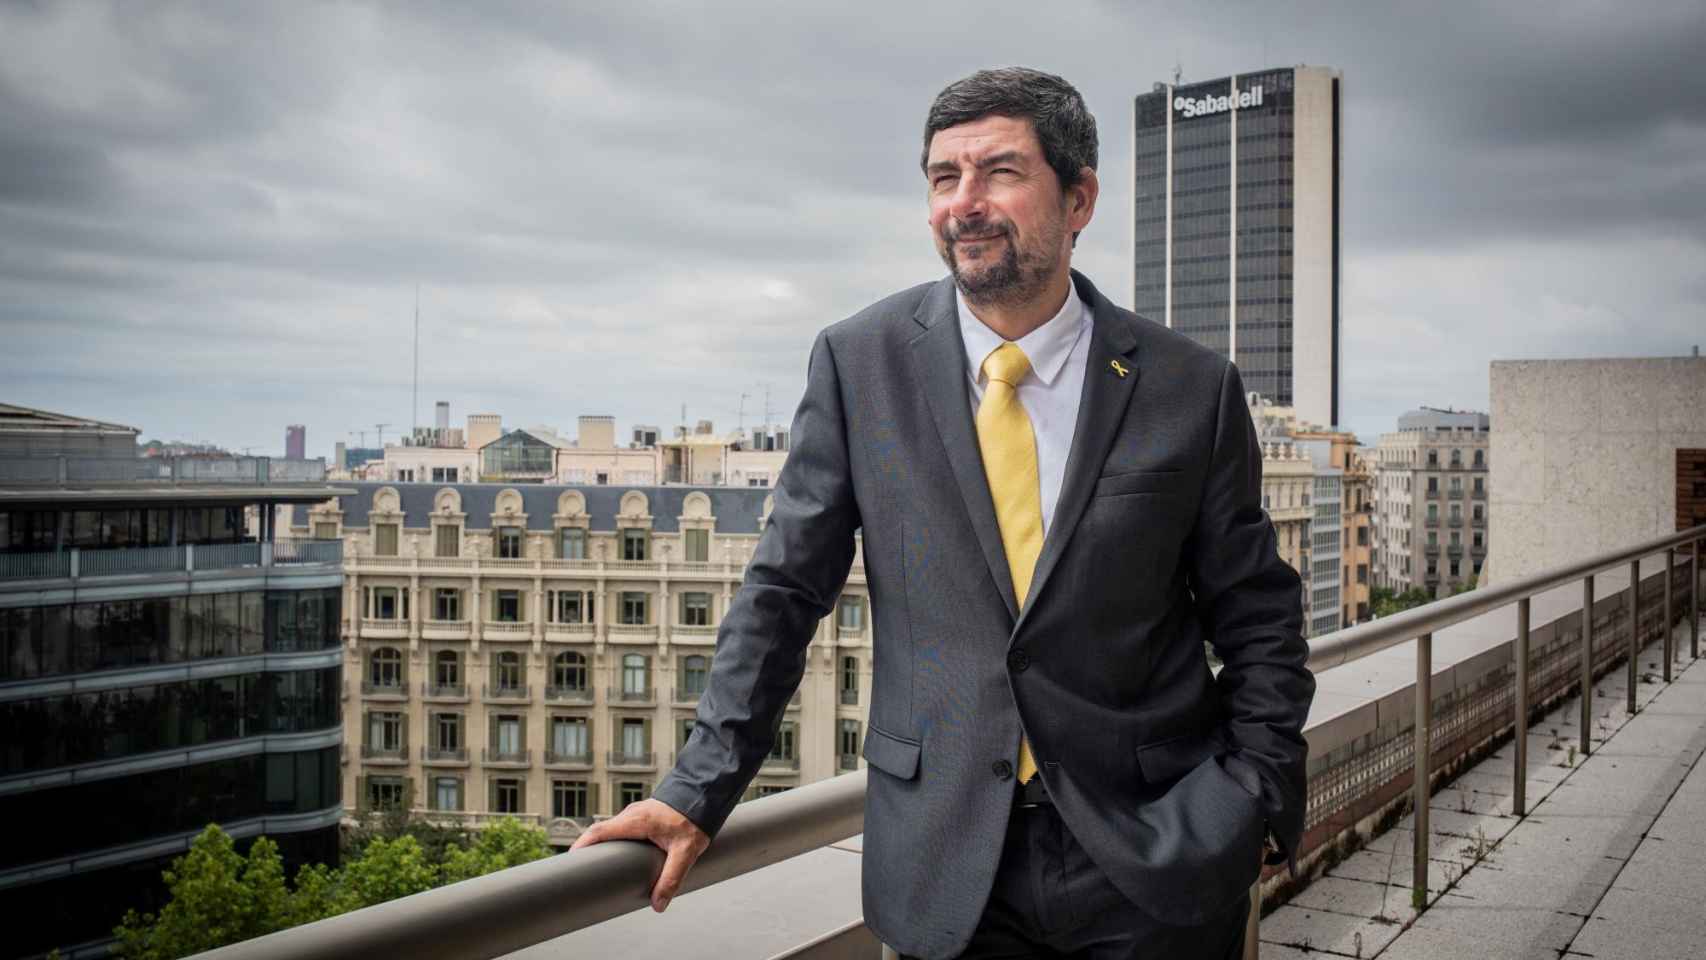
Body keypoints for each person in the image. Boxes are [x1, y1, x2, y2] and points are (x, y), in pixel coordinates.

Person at [572, 66, 1315, 959]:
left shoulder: (1190, 387)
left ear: (1079, 198)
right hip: (943, 863)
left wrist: (1256, 792)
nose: (964, 204)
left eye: (1000, 172)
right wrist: (696, 789)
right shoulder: (859, 364)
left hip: (1154, 857)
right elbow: (782, 590)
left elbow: (1259, 616)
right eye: (942, 177)